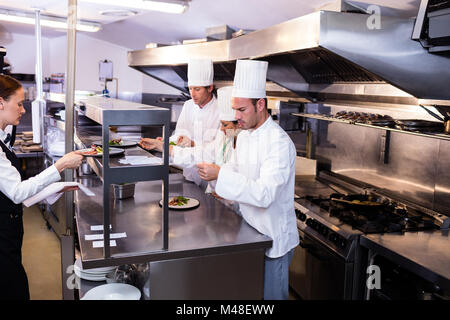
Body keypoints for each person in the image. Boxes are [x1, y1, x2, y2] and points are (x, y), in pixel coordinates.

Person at [196, 60, 299, 300]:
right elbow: (233, 168)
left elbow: (264, 195)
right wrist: (218, 178)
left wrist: (221, 176)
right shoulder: (244, 137)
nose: (236, 117)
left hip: (273, 240)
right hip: (250, 234)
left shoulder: (279, 143)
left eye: (241, 110)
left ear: (260, 104)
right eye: (234, 110)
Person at [0, 74, 84, 300]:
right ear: (0, 103)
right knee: (14, 288)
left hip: (9, 229)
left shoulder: (3, 136)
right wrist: (60, 165)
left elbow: (11, 192)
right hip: (2, 235)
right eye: (19, 104)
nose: (23, 109)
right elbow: (17, 193)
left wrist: (53, 188)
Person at [139, 86, 241, 210]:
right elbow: (202, 154)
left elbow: (245, 182)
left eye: (225, 125)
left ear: (239, 124)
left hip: (236, 208)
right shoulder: (226, 136)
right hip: (219, 203)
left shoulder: (248, 143)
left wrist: (221, 180)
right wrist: (163, 146)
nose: (221, 129)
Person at [139, 58, 220, 188]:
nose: (192, 94)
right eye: (190, 89)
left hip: (211, 179)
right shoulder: (188, 105)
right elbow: (180, 133)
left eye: (197, 89)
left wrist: (192, 143)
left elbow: (217, 150)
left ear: (209, 88)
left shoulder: (221, 110)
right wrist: (167, 141)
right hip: (189, 172)